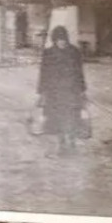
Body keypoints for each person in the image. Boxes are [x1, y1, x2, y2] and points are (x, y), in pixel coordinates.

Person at [36, 25, 87, 157]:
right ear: (54, 40)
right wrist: (41, 92)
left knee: (72, 118)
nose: (62, 42)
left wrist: (82, 90)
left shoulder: (74, 52)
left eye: (64, 39)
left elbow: (79, 73)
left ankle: (72, 143)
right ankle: (62, 144)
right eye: (59, 40)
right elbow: (43, 73)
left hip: (71, 92)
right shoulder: (48, 53)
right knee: (57, 119)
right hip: (54, 93)